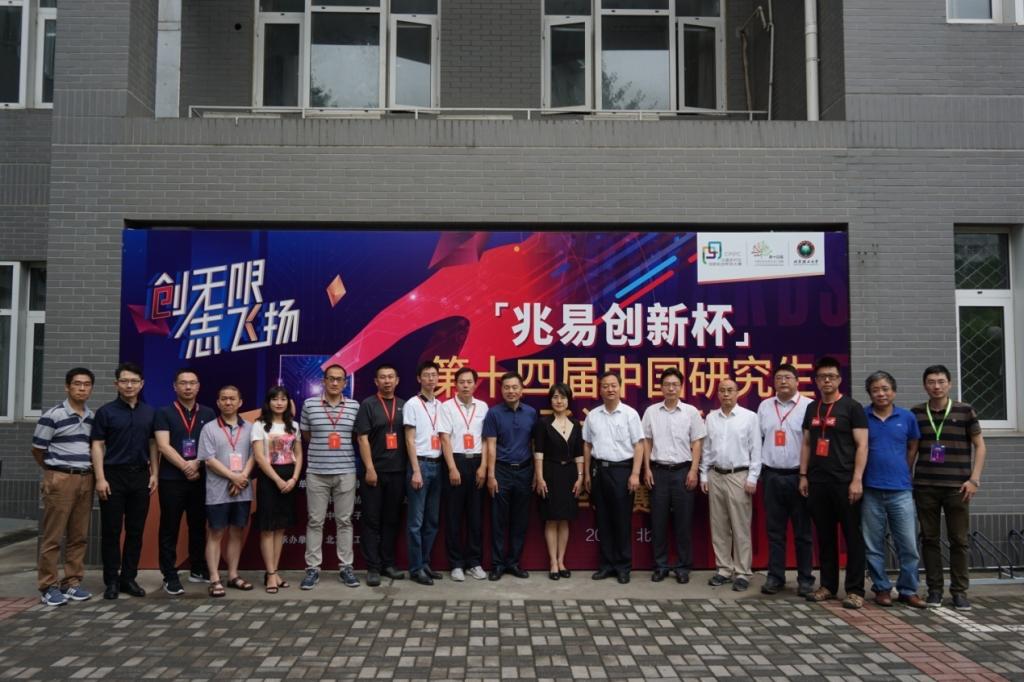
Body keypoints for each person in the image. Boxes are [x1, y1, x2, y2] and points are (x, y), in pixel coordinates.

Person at [912, 364, 987, 610]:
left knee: (959, 540)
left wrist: (974, 479)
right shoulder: (916, 413)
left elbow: (980, 445)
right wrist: (907, 478)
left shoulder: (965, 411)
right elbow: (912, 449)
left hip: (958, 487)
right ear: (925, 385)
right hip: (925, 486)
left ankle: (959, 592)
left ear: (949, 384)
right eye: (931, 382)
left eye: (941, 381)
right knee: (929, 539)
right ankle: (934, 590)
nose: (936, 386)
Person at [798, 356, 869, 609]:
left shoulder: (852, 408)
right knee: (825, 536)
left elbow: (862, 445)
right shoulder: (811, 408)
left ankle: (855, 590)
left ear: (839, 379)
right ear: (816, 381)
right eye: (822, 377)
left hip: (845, 482)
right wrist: (803, 475)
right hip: (818, 482)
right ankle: (828, 585)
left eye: (831, 376)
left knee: (852, 537)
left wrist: (857, 480)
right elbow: (807, 443)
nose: (826, 380)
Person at [90, 361, 158, 600]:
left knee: (135, 530)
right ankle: (111, 580)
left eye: (134, 381)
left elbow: (153, 444)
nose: (129, 385)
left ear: (142, 384)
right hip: (112, 476)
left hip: (140, 476)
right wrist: (100, 478)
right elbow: (97, 445)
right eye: (124, 381)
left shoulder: (149, 412)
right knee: (111, 531)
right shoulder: (106, 412)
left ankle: (129, 578)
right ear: (116, 384)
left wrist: (154, 473)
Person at [32, 367, 96, 606]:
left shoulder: (92, 417)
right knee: (53, 536)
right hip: (60, 479)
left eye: (86, 384)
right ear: (67, 387)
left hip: (86, 479)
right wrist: (53, 472)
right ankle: (48, 586)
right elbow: (38, 449)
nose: (82, 388)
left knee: (79, 535)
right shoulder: (53, 415)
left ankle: (72, 582)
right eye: (77, 384)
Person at [861, 371, 925, 608]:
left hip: (901, 491)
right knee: (873, 545)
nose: (881, 393)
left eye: (885, 389)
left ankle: (908, 590)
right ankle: (881, 588)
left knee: (908, 544)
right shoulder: (862, 416)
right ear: (869, 394)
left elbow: (913, 445)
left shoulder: (907, 417)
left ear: (894, 391)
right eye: (875, 390)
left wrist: (904, 469)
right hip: (870, 489)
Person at [153, 367, 216, 595]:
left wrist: (196, 464)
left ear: (198, 386)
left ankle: (197, 568)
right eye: (183, 383)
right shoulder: (164, 412)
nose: (188, 387)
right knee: (169, 527)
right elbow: (163, 445)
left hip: (200, 478)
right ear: (175, 386)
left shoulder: (208, 413)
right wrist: (185, 466)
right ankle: (169, 574)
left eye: (192, 383)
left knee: (198, 525)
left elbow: (211, 444)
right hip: (172, 479)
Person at [641, 368, 706, 585]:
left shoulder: (690, 412)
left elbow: (697, 442)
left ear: (681, 387)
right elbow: (646, 441)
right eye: (667, 384)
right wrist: (647, 469)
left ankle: (683, 567)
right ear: (660, 387)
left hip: (683, 472)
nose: (671, 388)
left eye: (675, 384)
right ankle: (660, 566)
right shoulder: (651, 411)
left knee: (683, 523)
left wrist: (694, 470)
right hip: (658, 471)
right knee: (658, 522)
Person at [300, 364, 360, 590]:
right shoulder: (309, 405)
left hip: (346, 471)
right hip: (317, 472)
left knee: (344, 521)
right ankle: (313, 569)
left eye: (339, 379)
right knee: (315, 521)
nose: (335, 383)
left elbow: (355, 436)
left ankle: (346, 567)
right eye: (331, 379)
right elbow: (306, 434)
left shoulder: (354, 406)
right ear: (323, 381)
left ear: (345, 383)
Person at [756, 363, 814, 596]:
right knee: (775, 531)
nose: (783, 382)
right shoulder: (765, 406)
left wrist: (805, 475)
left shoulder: (808, 406)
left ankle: (806, 579)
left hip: (798, 477)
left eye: (788, 377)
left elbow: (811, 443)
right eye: (779, 378)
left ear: (797, 381)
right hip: (771, 475)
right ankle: (775, 577)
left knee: (803, 533)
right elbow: (758, 439)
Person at [582, 372, 644, 584]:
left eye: (613, 385)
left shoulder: (630, 414)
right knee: (603, 520)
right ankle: (606, 565)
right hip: (599, 471)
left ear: (620, 388)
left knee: (622, 520)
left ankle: (623, 566)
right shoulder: (593, 415)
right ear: (600, 389)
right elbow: (587, 445)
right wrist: (587, 473)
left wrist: (635, 473)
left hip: (622, 471)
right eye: (605, 386)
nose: (610, 389)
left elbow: (639, 445)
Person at [700, 378, 761, 592]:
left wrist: (753, 477)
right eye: (722, 390)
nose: (726, 394)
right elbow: (707, 449)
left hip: (739, 476)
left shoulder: (749, 417)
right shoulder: (711, 418)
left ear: (738, 393)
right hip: (716, 475)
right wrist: (704, 475)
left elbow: (756, 449)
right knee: (719, 526)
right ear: (718, 394)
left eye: (730, 390)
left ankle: (742, 571)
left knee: (740, 526)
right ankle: (724, 569)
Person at [198, 385, 255, 598]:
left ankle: (232, 575)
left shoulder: (250, 428)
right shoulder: (209, 428)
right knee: (216, 533)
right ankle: (214, 578)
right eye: (224, 399)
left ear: (240, 402)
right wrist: (233, 477)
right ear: (218, 402)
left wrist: (242, 478)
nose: (228, 402)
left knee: (237, 532)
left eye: (232, 399)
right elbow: (209, 460)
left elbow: (254, 456)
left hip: (242, 490)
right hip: (217, 491)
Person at [355, 364, 408, 587]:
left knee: (391, 520)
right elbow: (362, 438)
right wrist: (369, 468)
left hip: (398, 472)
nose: (387, 381)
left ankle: (388, 564)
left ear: (397, 380)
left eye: (390, 377)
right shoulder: (368, 405)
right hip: (374, 473)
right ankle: (373, 567)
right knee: (371, 521)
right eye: (383, 378)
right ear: (376, 382)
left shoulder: (405, 405)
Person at [483, 371, 538, 581]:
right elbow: (490, 446)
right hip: (501, 471)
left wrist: (536, 473)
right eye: (506, 387)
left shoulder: (531, 413)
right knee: (498, 520)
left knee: (520, 520)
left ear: (522, 390)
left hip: (525, 471)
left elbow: (535, 445)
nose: (511, 391)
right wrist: (491, 475)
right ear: (501, 390)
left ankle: (514, 563)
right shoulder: (493, 413)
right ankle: (497, 564)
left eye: (515, 387)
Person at [438, 367, 489, 582]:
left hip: (477, 462)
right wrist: (452, 467)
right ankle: (456, 564)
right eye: (462, 382)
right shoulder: (447, 407)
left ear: (475, 384)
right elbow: (444, 438)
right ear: (455, 384)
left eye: (469, 382)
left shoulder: (483, 407)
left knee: (475, 517)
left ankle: (474, 562)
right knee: (454, 517)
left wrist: (483, 467)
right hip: (456, 461)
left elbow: (486, 439)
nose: (466, 385)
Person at [252, 386, 303, 594]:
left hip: (289, 478)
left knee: (280, 528)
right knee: (267, 527)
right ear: (269, 402)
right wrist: (277, 480)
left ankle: (274, 571)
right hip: (269, 479)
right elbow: (259, 457)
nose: (279, 403)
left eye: (283, 399)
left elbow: (299, 454)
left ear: (288, 402)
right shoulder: (259, 425)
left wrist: (294, 478)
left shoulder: (294, 426)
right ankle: (271, 573)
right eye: (275, 399)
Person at [533, 383, 584, 581]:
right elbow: (538, 453)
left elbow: (579, 454)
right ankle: (553, 562)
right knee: (551, 518)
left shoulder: (575, 424)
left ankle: (562, 561)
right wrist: (539, 477)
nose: (559, 401)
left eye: (563, 397)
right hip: (550, 473)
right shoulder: (543, 423)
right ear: (550, 400)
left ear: (568, 400)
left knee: (564, 519)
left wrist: (580, 477)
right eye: (555, 397)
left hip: (569, 475)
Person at [404, 361, 446, 585]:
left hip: (438, 465)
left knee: (432, 521)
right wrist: (416, 471)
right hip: (420, 465)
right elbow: (409, 440)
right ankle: (415, 568)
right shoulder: (412, 404)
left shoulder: (440, 405)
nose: (431, 379)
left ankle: (425, 563)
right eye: (427, 375)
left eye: (434, 375)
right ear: (419, 379)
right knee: (416, 522)